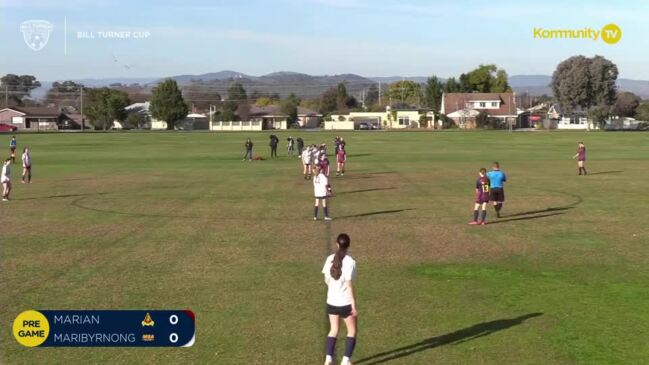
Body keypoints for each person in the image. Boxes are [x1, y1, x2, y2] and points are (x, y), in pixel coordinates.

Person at [322, 233, 357, 365]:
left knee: (333, 330)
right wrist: (353, 305)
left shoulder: (329, 259)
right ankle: (345, 361)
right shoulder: (350, 262)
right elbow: (349, 285)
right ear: (348, 246)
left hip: (331, 301)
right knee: (352, 331)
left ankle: (328, 359)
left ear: (337, 244)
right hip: (345, 303)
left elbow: (327, 280)